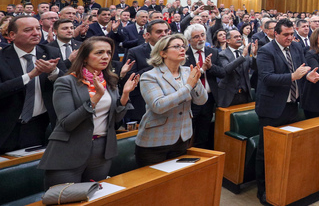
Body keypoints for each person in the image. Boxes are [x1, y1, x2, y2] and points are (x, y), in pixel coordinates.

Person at [37, 37, 139, 187]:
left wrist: (124, 95)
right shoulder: (66, 82)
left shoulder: (110, 81)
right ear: (84, 57)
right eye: (99, 52)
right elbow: (67, 123)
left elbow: (116, 119)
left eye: (108, 53)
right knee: (64, 200)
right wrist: (96, 97)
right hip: (69, 149)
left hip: (101, 150)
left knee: (94, 198)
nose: (105, 56)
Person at [254, 18, 319, 204]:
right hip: (272, 108)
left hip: (292, 105)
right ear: (276, 34)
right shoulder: (266, 51)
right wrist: (293, 76)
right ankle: (264, 191)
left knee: (288, 148)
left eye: (292, 34)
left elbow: (302, 69)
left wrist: (308, 75)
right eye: (286, 35)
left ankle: (283, 185)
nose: (290, 38)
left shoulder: (297, 47)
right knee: (266, 152)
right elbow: (267, 78)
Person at [134, 34, 207, 167]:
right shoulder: (149, 76)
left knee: (176, 182)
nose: (182, 49)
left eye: (183, 46)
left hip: (182, 137)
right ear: (163, 53)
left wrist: (195, 83)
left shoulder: (187, 72)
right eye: (177, 46)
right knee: (153, 185)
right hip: (155, 141)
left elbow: (201, 101)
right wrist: (188, 86)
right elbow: (158, 106)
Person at [0, 16, 66, 153]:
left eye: (38, 28)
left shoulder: (50, 53)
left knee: (30, 168)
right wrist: (30, 76)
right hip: (6, 124)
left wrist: (53, 71)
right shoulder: (2, 57)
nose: (36, 33)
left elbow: (67, 82)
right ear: (12, 35)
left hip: (38, 124)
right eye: (28, 30)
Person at [213, 29, 254, 108]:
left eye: (239, 36)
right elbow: (227, 69)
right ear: (228, 40)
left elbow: (254, 67)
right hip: (229, 95)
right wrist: (242, 57)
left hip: (244, 94)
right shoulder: (222, 54)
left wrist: (255, 56)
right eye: (236, 37)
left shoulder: (244, 52)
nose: (239, 38)